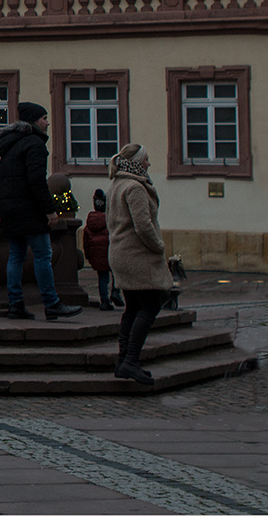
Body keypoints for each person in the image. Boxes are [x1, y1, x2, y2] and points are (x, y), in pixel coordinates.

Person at [0, 101, 83, 321]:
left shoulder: (10, 144)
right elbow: (37, 181)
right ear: (34, 121)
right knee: (43, 255)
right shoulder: (34, 144)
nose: (47, 122)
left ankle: (15, 304)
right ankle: (52, 303)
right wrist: (49, 211)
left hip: (10, 208)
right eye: (44, 118)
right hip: (29, 209)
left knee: (15, 256)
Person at [108, 144, 174, 386]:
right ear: (136, 162)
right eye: (146, 160)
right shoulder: (134, 187)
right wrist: (158, 246)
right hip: (138, 255)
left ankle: (124, 361)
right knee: (150, 305)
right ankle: (131, 361)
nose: (149, 164)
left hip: (121, 253)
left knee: (133, 308)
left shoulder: (117, 183)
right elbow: (143, 225)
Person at [80, 189, 125, 311]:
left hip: (97, 257)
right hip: (110, 254)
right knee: (116, 274)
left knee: (102, 279)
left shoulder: (89, 224)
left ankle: (104, 301)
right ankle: (115, 292)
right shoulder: (110, 221)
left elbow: (86, 243)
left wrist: (89, 257)